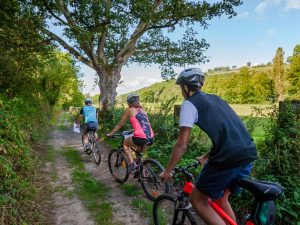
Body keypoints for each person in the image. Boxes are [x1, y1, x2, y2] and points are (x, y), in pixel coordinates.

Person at [160, 68, 257, 225]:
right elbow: (228, 134)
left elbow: (181, 144)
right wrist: (206, 156)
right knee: (220, 198)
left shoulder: (189, 104)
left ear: (185, 87)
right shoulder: (216, 98)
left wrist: (168, 171)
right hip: (248, 153)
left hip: (227, 159)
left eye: (180, 87)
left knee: (197, 200)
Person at [107, 93, 154, 172]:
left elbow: (120, 125)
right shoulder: (143, 110)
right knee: (139, 153)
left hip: (140, 138)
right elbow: (143, 124)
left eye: (128, 103)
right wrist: (134, 130)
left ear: (130, 103)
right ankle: (143, 173)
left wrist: (111, 134)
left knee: (125, 143)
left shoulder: (129, 110)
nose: (128, 105)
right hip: (151, 138)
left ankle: (132, 164)